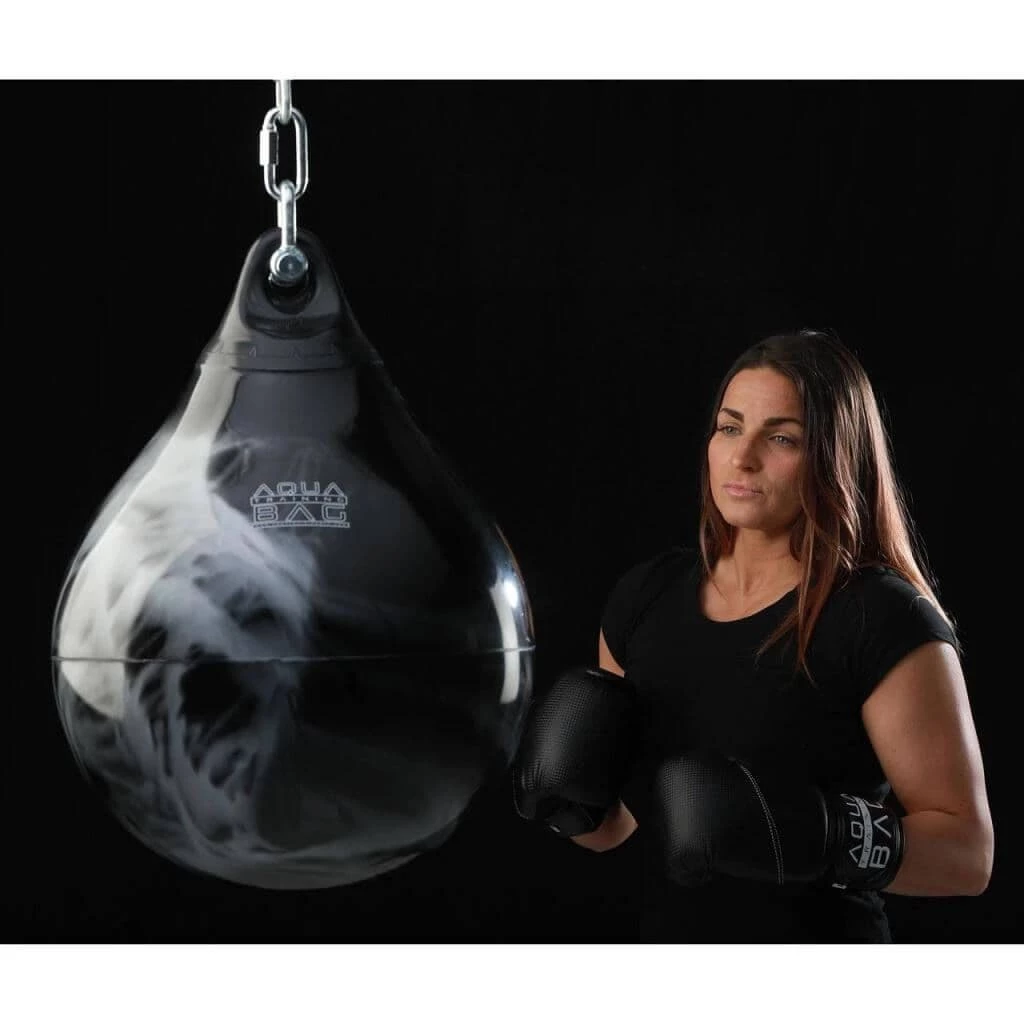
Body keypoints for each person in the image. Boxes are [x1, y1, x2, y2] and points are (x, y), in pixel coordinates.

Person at [512, 328, 994, 942]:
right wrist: (569, 809)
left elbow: (967, 855)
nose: (743, 458)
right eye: (729, 428)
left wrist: (816, 836)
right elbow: (616, 828)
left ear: (833, 455)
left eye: (781, 437)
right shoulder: (645, 599)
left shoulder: (881, 618)